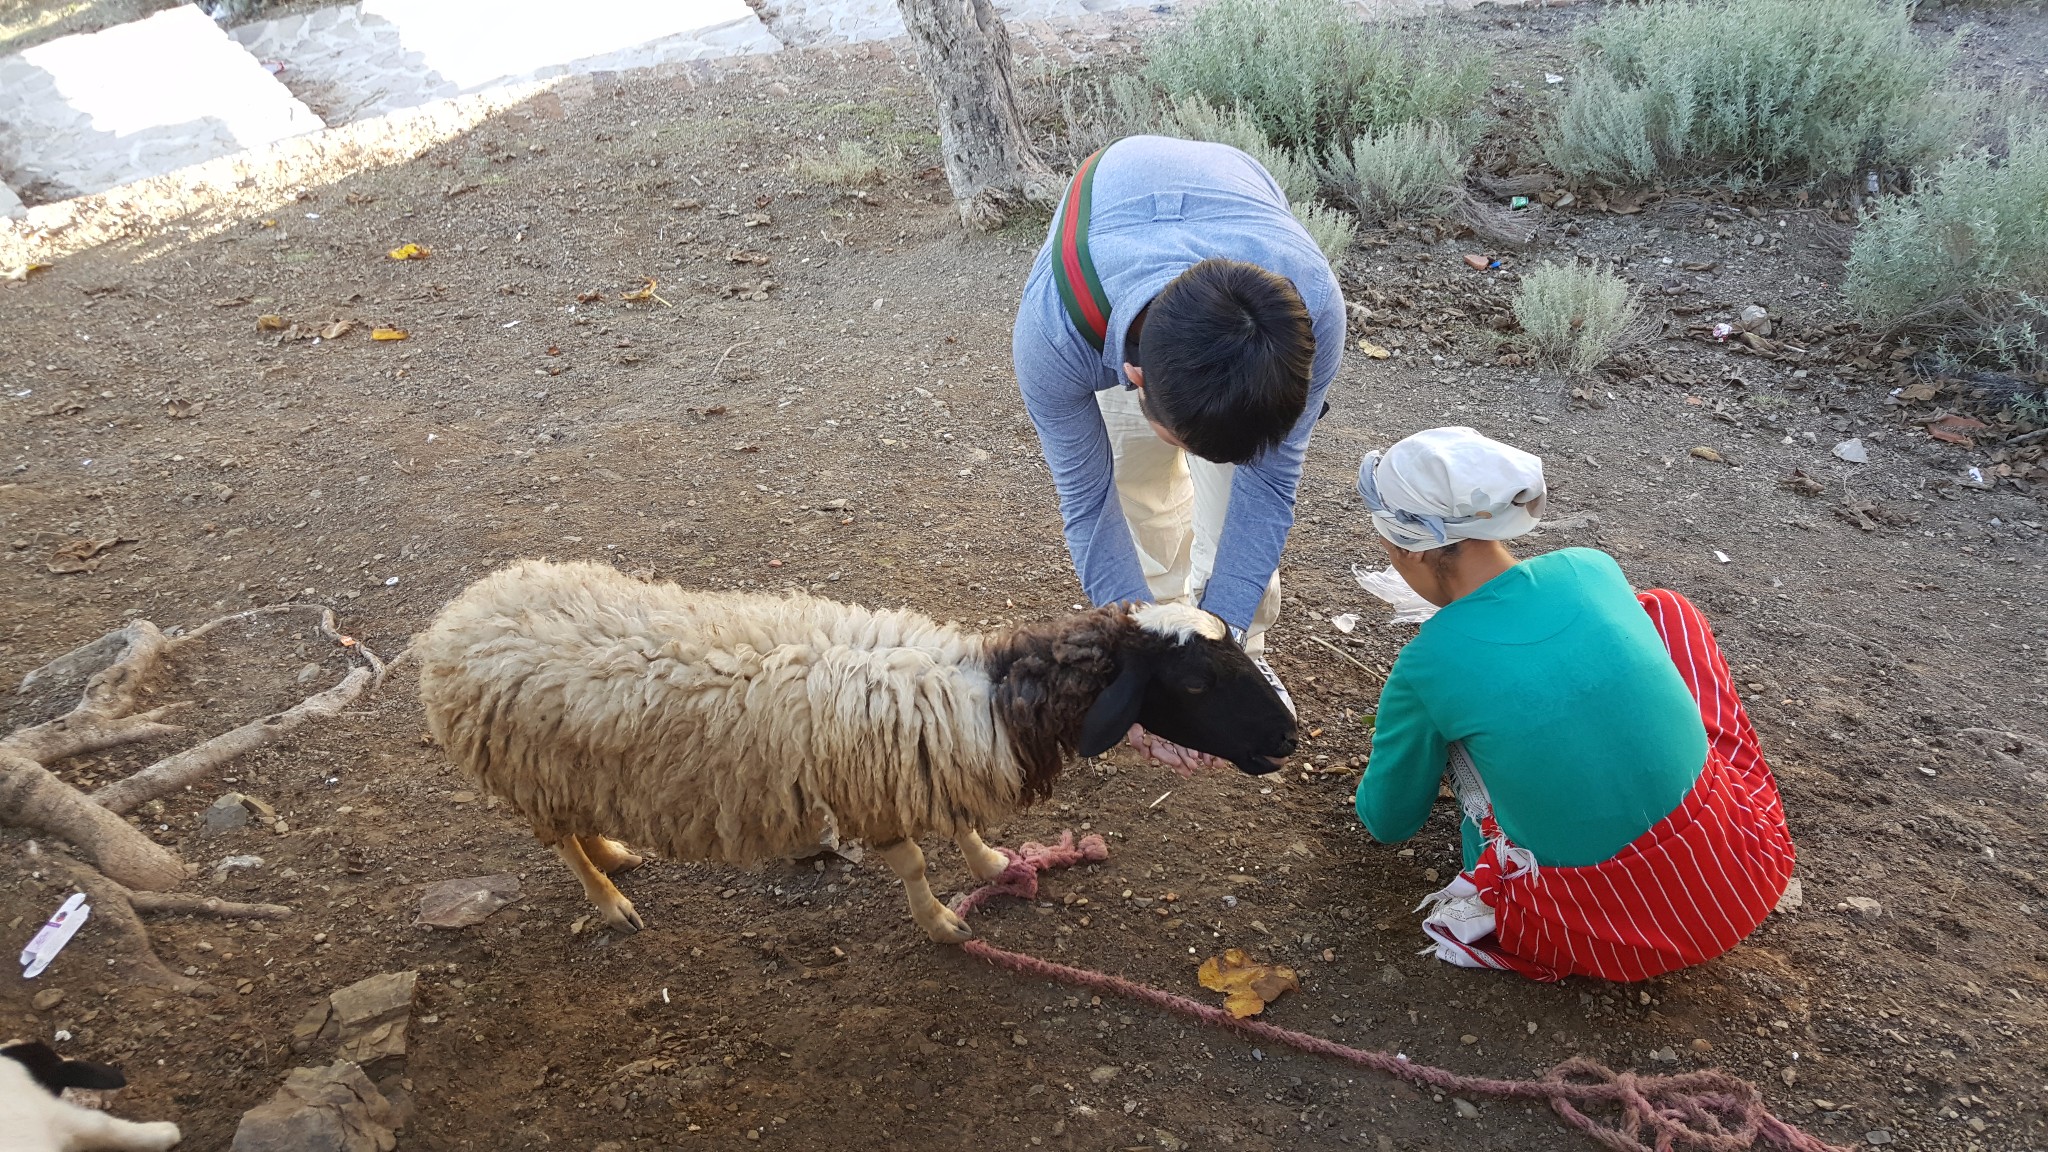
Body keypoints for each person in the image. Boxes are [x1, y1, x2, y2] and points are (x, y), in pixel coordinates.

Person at [1352, 427, 1795, 982]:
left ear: (1407, 546)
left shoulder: (1428, 663)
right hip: (1746, 869)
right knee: (1665, 610)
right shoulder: (1591, 567)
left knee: (1465, 727)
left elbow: (1388, 821)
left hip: (1600, 935)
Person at [1011, 135, 1344, 759]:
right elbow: (1091, 507)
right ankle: (1169, 620)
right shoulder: (1054, 340)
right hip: (1109, 271)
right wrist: (1143, 655)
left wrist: (1224, 646)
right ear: (1134, 380)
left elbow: (1270, 485)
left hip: (1231, 202)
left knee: (1243, 507)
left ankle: (1247, 650)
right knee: (1140, 485)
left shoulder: (1313, 312)